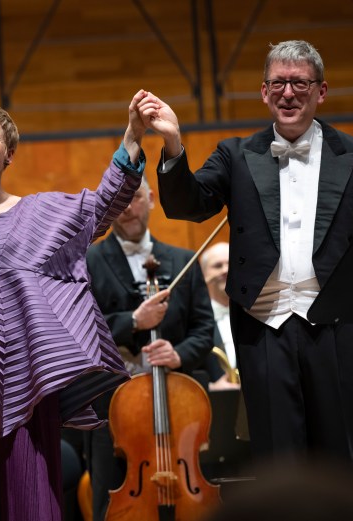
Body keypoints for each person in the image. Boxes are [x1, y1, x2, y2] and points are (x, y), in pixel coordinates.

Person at [141, 40, 353, 472]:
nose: (288, 93)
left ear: (321, 91)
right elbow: (189, 205)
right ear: (263, 91)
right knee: (279, 464)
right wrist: (173, 143)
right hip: (263, 328)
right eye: (278, 83)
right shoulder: (235, 155)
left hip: (336, 325)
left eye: (299, 83)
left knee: (344, 461)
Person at [0, 90, 156, 520]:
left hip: (25, 383)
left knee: (30, 503)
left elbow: (103, 205)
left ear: (9, 155)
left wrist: (132, 134)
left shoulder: (41, 214)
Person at [84, 176, 215, 521]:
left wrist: (178, 354)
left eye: (136, 197)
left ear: (152, 199)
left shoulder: (183, 259)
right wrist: (134, 321)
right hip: (112, 411)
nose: (127, 207)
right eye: (118, 200)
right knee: (112, 505)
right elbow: (77, 332)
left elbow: (204, 331)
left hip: (175, 406)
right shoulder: (85, 263)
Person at [199, 241, 240, 390]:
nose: (225, 270)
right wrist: (210, 387)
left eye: (231, 263)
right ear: (203, 275)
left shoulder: (258, 313)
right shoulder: (195, 320)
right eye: (217, 266)